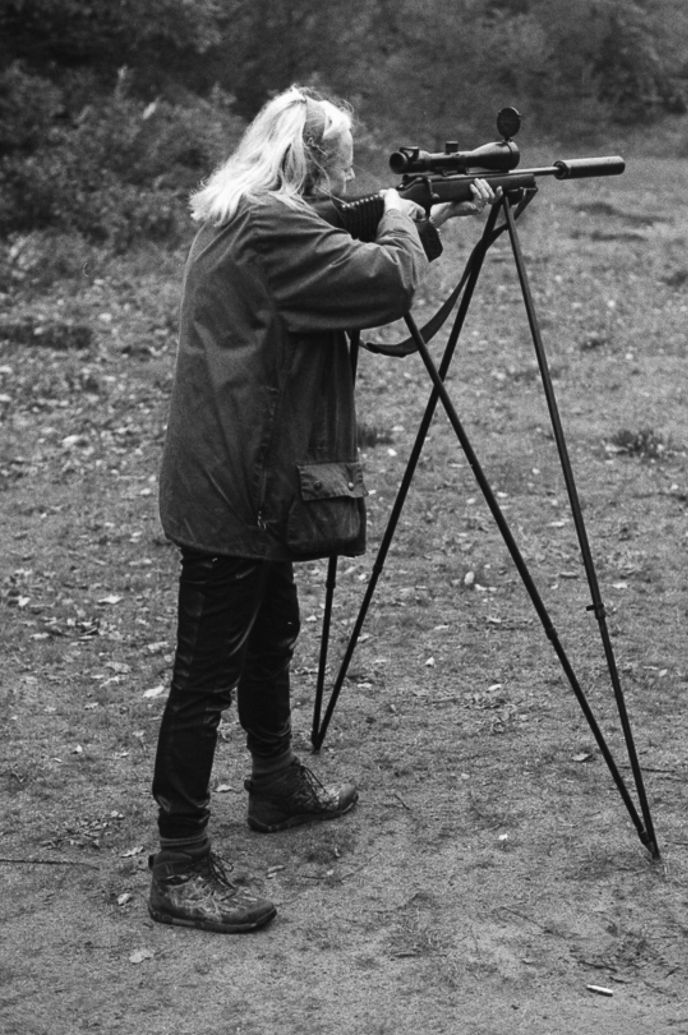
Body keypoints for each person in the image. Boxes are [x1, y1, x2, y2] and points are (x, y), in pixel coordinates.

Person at [149, 84, 493, 934]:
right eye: (337, 163)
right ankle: (181, 861)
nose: (347, 176)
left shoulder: (249, 213)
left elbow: (340, 264)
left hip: (249, 472)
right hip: (239, 479)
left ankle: (274, 782)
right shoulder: (271, 224)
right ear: (309, 163)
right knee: (202, 677)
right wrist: (408, 218)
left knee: (271, 634)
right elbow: (378, 280)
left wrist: (422, 210)